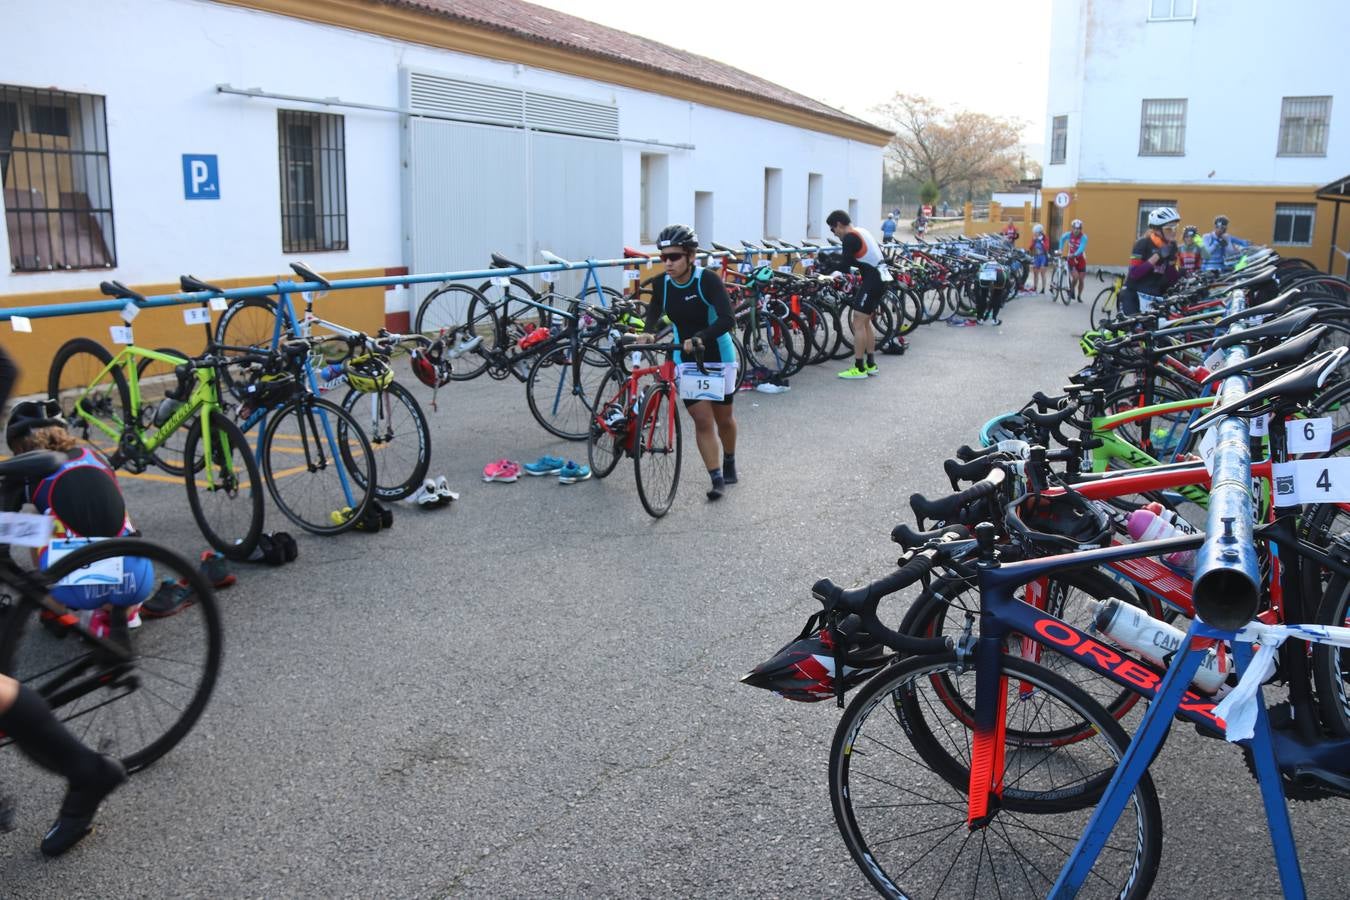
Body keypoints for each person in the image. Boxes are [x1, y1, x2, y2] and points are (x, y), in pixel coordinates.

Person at [0, 346, 128, 858]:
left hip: (79, 582)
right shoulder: (91, 453)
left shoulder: (32, 474)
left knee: (36, 538)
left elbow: (23, 536)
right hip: (131, 569)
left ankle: (87, 771)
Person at [638, 224, 739, 501]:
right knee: (701, 418)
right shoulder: (662, 283)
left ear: (691, 256)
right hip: (685, 358)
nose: (668, 263)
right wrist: (648, 331)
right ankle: (716, 477)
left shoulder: (707, 280)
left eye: (674, 257)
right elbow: (655, 311)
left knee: (724, 418)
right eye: (663, 257)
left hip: (717, 356)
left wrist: (701, 337)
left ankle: (729, 459)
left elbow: (727, 319)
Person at [827, 209, 887, 381]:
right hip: (881, 278)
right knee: (866, 322)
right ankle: (871, 364)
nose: (835, 233)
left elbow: (845, 266)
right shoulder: (862, 231)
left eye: (833, 229)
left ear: (839, 224)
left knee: (858, 322)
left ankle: (859, 367)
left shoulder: (849, 238)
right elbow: (857, 260)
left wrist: (828, 266)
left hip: (873, 281)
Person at [1121, 206, 1181, 316]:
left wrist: (1172, 263)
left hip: (1154, 296)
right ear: (1157, 230)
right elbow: (1134, 274)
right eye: (1169, 228)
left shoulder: (1172, 246)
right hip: (1134, 295)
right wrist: (1156, 257)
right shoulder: (1142, 244)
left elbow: (1172, 279)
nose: (1173, 232)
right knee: (1134, 330)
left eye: (1175, 227)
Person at [1058, 219, 1088, 302]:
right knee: (1075, 277)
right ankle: (1071, 290)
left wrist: (1075, 254)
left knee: (1081, 279)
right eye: (1074, 228)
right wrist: (1060, 249)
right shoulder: (1068, 235)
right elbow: (1062, 239)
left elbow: (1082, 247)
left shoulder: (1084, 237)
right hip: (1071, 259)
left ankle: (1079, 296)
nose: (1076, 230)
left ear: (1081, 229)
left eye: (1078, 229)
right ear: (1072, 228)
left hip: (1081, 259)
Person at [1028, 223, 1051, 293]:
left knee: (1042, 273)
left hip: (1043, 256)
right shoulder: (1034, 238)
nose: (1034, 234)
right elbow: (1030, 247)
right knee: (1035, 273)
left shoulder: (1045, 238)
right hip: (1036, 256)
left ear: (1040, 232)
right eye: (1034, 233)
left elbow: (1046, 248)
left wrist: (1041, 241)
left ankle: (1043, 289)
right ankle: (1035, 287)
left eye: (1036, 233)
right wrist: (1034, 241)